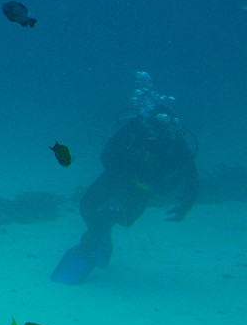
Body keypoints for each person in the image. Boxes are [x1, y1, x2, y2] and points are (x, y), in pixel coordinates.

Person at [52, 85, 198, 284]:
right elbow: (107, 155)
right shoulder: (133, 130)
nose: (157, 130)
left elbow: (190, 174)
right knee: (87, 208)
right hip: (112, 179)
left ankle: (87, 250)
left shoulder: (175, 143)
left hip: (141, 190)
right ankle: (101, 240)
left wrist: (185, 204)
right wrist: (119, 183)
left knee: (108, 218)